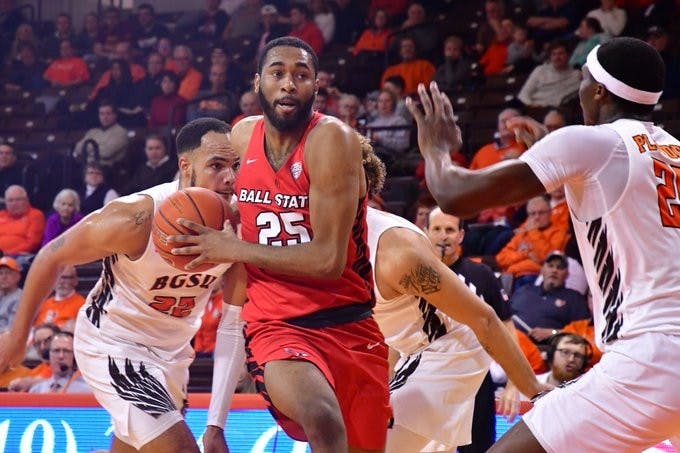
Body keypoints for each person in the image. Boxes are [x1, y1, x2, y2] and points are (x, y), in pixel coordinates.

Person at [407, 37, 680, 452]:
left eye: (583, 78)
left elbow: (453, 196)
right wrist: (547, 155)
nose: (579, 87)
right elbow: (614, 194)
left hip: (652, 357)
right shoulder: (671, 150)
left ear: (599, 90)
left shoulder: (590, 142)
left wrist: (435, 147)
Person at [173, 37, 391, 453]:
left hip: (350, 323)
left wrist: (233, 248)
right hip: (277, 326)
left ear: (316, 87)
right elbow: (215, 194)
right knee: (322, 417)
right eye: (277, 73)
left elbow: (327, 260)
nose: (288, 83)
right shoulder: (240, 136)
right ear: (258, 82)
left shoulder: (332, 141)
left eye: (301, 75)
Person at [0, 118, 242, 452]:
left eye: (236, 166)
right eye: (217, 165)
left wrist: (217, 422)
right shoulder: (137, 217)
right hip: (113, 343)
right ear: (185, 166)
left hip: (173, 354)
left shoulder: (241, 225)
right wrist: (16, 338)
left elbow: (233, 323)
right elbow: (49, 257)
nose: (230, 177)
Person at [423, 207, 528, 453]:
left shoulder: (481, 275)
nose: (443, 236)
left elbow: (507, 331)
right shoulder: (411, 274)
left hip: (474, 379)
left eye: (449, 230)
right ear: (426, 232)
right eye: (437, 229)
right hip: (426, 377)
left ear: (461, 235)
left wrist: (514, 383)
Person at [510, 251, 590, 344]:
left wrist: (553, 333)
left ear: (567, 274)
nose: (554, 270)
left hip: (545, 350)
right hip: (511, 341)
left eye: (560, 267)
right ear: (542, 270)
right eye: (550, 266)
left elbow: (584, 332)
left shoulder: (574, 298)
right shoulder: (524, 290)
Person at [517, 40, 580, 108]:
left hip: (557, 111)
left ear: (568, 55)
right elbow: (524, 94)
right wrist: (531, 105)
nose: (557, 57)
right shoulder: (540, 70)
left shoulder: (576, 75)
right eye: (554, 54)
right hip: (533, 106)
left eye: (561, 53)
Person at [0, 185, 45, 258]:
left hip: (19, 257)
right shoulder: (1, 215)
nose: (14, 203)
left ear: (27, 200)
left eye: (18, 199)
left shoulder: (36, 215)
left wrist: (7, 254)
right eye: (10, 200)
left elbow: (32, 244)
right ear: (6, 203)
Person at [0, 256, 22, 333]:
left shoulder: (21, 298)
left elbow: (11, 330)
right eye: (1, 273)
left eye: (8, 273)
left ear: (18, 277)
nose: (3, 277)